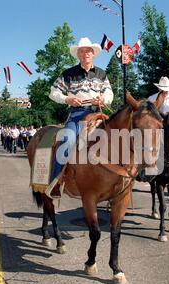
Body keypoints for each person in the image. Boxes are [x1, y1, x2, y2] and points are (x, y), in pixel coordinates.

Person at [47, 37, 114, 199]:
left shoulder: (101, 74)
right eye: (82, 51)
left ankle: (121, 179)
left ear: (93, 54)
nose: (85, 54)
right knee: (68, 140)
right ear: (78, 55)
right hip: (77, 113)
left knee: (119, 136)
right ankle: (57, 180)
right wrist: (67, 99)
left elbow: (109, 93)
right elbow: (53, 92)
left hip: (97, 111)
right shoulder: (68, 74)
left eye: (88, 51)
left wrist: (104, 99)